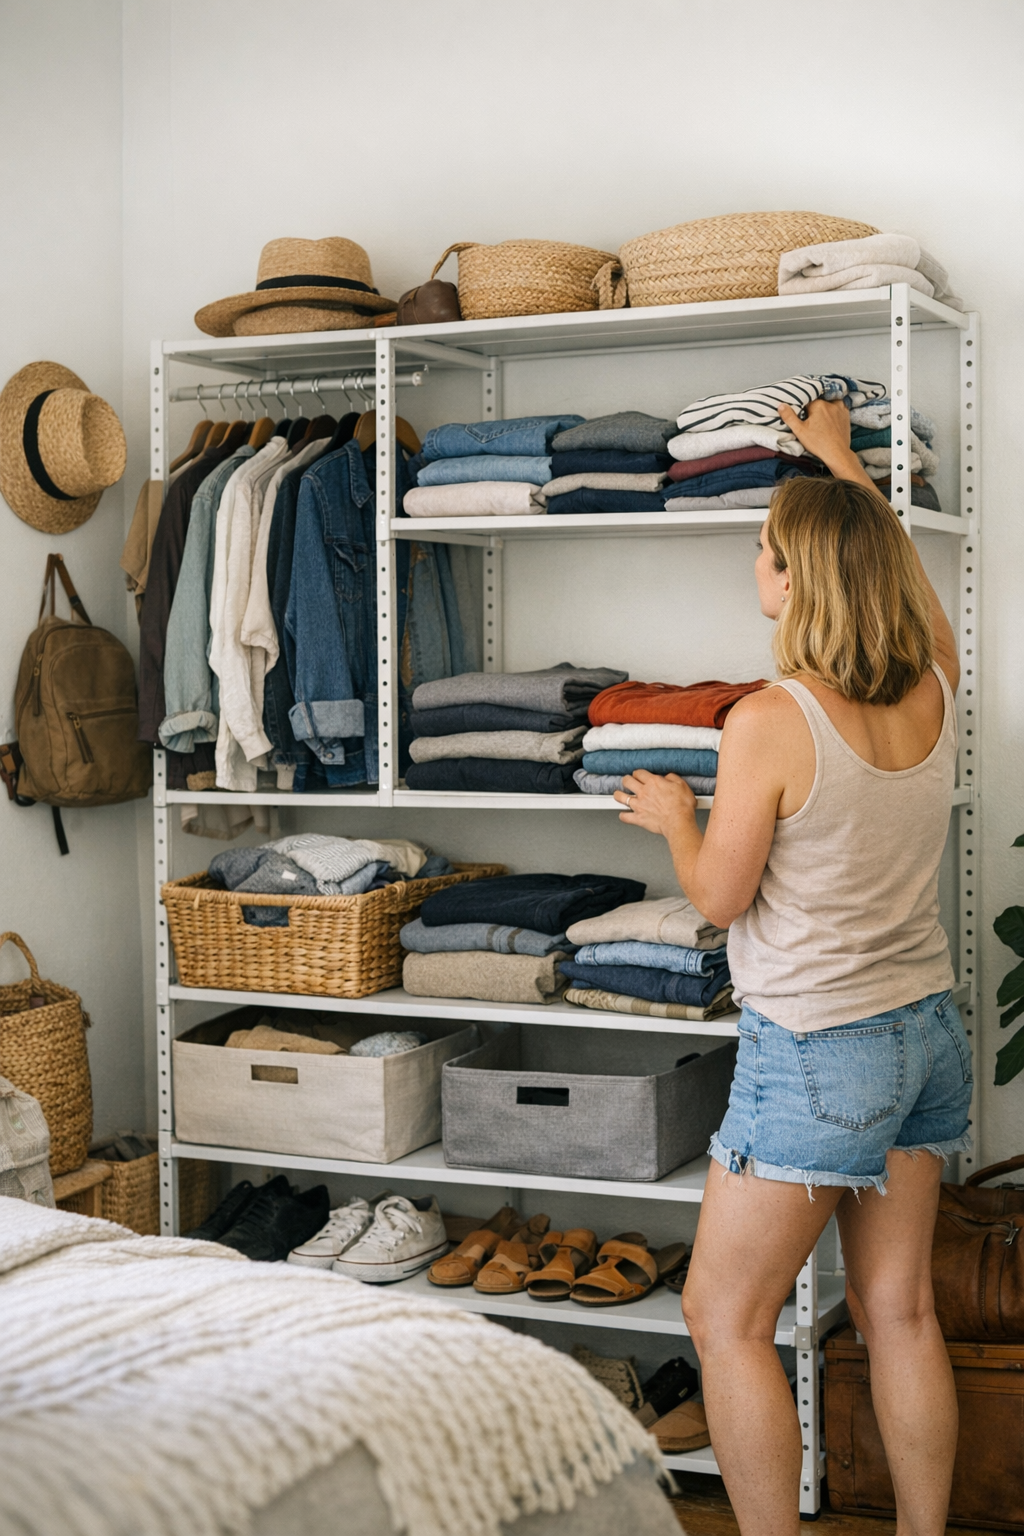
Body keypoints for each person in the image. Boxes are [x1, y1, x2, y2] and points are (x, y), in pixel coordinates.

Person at [614, 397, 970, 1536]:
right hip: (927, 1035)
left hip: (820, 1051)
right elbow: (906, 582)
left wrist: (676, 820)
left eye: (765, 548)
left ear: (798, 578)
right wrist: (839, 463)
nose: (754, 563)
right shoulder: (933, 685)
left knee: (723, 1319)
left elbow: (720, 900)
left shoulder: (769, 718)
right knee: (899, 1311)